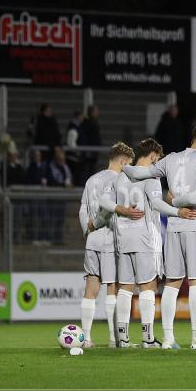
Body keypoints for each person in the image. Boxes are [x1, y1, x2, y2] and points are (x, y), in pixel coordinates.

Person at [122, 123, 196, 350]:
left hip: (173, 226)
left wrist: (125, 169)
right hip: (195, 223)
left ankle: (168, 339)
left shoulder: (169, 159)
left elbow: (142, 172)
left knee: (172, 283)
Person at [99, 138, 196, 349]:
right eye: (158, 159)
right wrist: (178, 211)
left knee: (125, 288)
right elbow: (156, 203)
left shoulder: (120, 176)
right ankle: (147, 338)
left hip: (123, 238)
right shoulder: (151, 177)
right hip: (145, 238)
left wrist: (122, 210)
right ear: (153, 155)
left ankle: (124, 339)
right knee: (148, 286)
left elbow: (104, 202)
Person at [78, 142, 136, 348]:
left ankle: (86, 338)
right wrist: (97, 223)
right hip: (110, 238)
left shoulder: (92, 179)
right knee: (113, 287)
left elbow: (83, 208)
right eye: (129, 163)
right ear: (122, 161)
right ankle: (114, 339)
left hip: (92, 239)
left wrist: (87, 229)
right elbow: (108, 209)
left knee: (91, 287)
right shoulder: (120, 180)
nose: (130, 167)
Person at [45, 146, 73, 244]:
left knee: (60, 219)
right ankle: (51, 238)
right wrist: (63, 184)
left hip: (62, 197)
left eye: (63, 159)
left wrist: (68, 183)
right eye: (60, 159)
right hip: (53, 197)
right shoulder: (50, 166)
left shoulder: (65, 167)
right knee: (52, 219)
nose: (62, 160)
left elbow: (69, 177)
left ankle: (58, 238)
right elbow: (51, 181)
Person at [78, 105, 102, 181]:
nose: (97, 113)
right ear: (91, 112)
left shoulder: (93, 123)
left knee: (91, 171)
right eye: (96, 111)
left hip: (93, 152)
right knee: (87, 171)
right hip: (89, 152)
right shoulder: (87, 123)